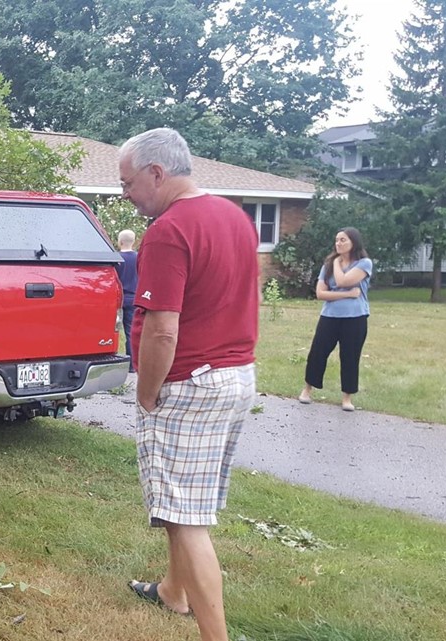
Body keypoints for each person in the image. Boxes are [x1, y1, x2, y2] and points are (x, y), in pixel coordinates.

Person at [118, 128, 258, 641]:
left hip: (190, 383)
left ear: (157, 173)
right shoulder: (235, 218)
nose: (126, 194)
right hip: (236, 377)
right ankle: (174, 593)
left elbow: (161, 328)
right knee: (186, 503)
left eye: (128, 183)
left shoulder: (169, 229)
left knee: (184, 518)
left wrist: (148, 391)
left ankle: (215, 636)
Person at [298, 228, 373, 411]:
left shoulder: (364, 263)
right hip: (329, 317)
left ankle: (347, 398)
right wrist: (347, 294)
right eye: (337, 240)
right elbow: (320, 293)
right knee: (317, 353)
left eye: (343, 240)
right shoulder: (329, 265)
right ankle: (307, 390)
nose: (338, 243)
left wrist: (338, 266)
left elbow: (343, 281)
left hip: (355, 318)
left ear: (353, 242)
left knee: (350, 357)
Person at [114, 229, 139, 371]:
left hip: (118, 299)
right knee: (130, 331)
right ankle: (131, 365)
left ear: (120, 241)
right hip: (134, 298)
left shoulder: (116, 259)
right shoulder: (139, 257)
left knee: (113, 329)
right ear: (133, 241)